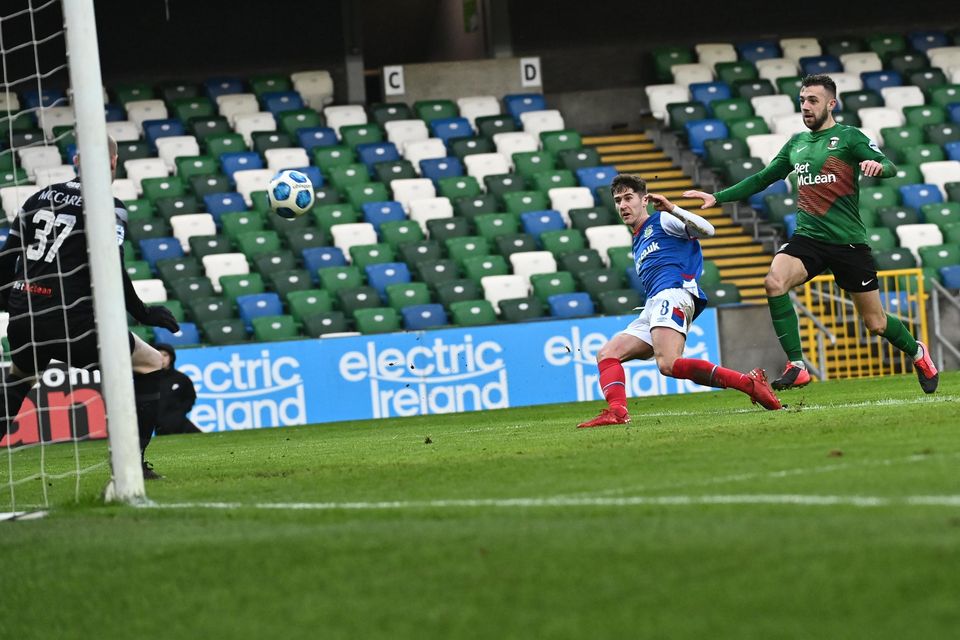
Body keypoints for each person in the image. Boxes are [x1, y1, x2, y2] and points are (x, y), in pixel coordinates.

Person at [683, 73, 938, 393]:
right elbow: (763, 179)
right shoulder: (797, 144)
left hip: (848, 242)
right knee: (774, 281)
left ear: (831, 104)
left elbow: (888, 164)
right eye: (802, 100)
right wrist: (717, 197)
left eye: (813, 100)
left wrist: (877, 166)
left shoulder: (849, 138)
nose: (805, 106)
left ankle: (917, 352)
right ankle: (798, 365)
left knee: (876, 324)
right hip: (808, 239)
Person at [0, 135, 180, 479]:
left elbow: (6, 263)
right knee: (150, 363)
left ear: (77, 160)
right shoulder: (106, 205)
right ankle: (131, 465)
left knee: (20, 377)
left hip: (24, 315)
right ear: (113, 162)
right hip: (72, 320)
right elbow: (110, 263)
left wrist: (14, 306)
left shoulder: (35, 198)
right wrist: (142, 313)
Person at [577, 174, 781, 428]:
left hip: (672, 293)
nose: (622, 205)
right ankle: (617, 411)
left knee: (669, 364)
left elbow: (708, 230)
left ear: (645, 200)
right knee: (608, 353)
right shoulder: (639, 238)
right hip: (654, 303)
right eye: (618, 200)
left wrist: (672, 208)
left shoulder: (662, 220)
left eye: (629, 198)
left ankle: (748, 384)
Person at [152, 343, 201, 436]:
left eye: (165, 355)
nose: (162, 358)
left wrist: (180, 412)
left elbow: (190, 397)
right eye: (158, 355)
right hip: (160, 427)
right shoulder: (149, 380)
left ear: (171, 358)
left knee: (200, 438)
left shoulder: (182, 378)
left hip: (179, 422)